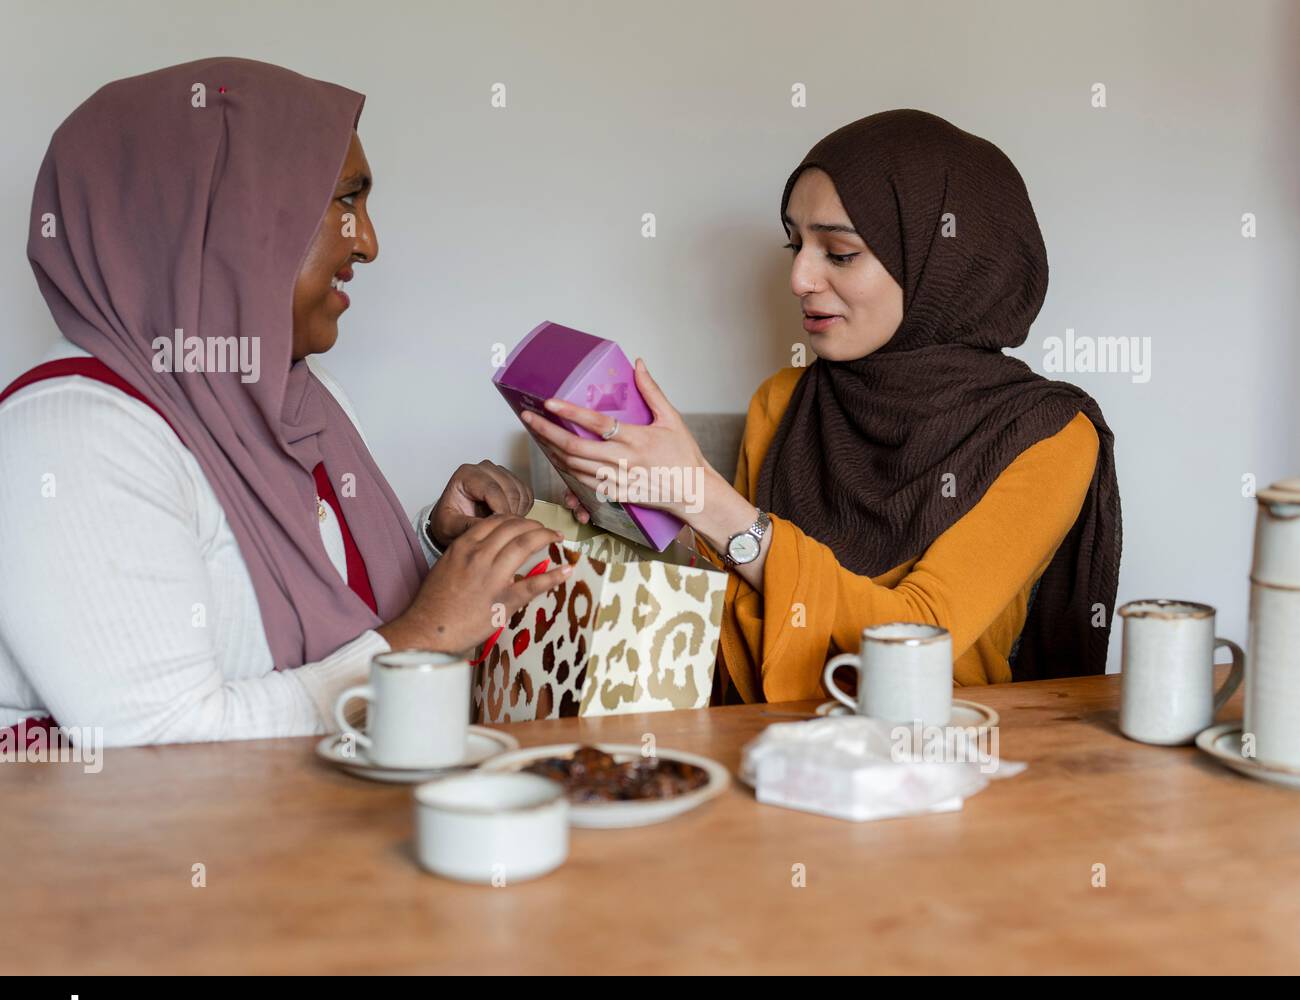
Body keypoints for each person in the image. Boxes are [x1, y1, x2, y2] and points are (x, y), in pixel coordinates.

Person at [0, 57, 570, 746]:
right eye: (345, 202)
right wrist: (424, 638)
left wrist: (436, 543)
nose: (369, 243)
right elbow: (156, 748)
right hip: (161, 852)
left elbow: (328, 608)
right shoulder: (72, 436)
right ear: (225, 215)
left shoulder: (304, 394)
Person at [528, 109, 1122, 703]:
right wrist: (644, 511)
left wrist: (704, 498)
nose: (799, 278)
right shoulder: (783, 400)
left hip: (924, 747)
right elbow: (738, 600)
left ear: (941, 267)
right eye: (795, 245)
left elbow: (917, 635)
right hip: (747, 730)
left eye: (839, 253)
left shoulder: (1046, 433)